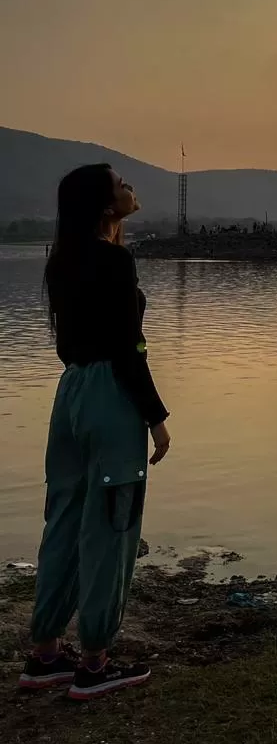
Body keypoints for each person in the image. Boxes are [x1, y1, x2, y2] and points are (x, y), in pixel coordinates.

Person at [19, 164, 171, 701]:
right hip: (111, 396)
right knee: (111, 523)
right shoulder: (114, 259)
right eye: (121, 183)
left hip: (71, 394)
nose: (131, 188)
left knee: (63, 517)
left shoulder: (60, 259)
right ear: (106, 205)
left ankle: (44, 653)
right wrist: (155, 416)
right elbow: (130, 347)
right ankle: (93, 661)